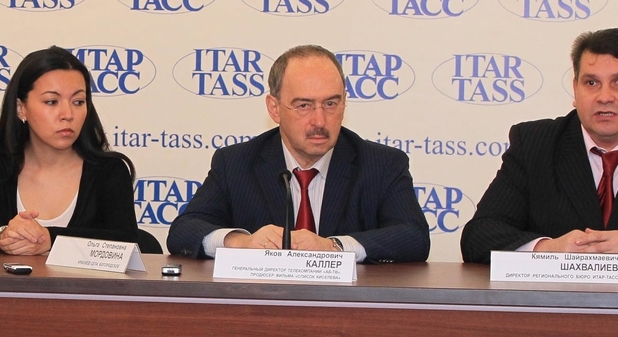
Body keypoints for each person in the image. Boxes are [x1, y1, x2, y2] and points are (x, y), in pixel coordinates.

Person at [461, 28, 618, 268]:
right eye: (591, 83)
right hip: (558, 293)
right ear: (575, 90)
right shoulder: (535, 144)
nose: (604, 97)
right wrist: (547, 251)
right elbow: (479, 235)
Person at [167, 44, 429, 262]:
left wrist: (335, 247)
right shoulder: (236, 163)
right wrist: (240, 242)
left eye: (330, 103)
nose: (320, 121)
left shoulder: (381, 165)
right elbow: (183, 231)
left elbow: (414, 237)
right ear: (275, 108)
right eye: (304, 105)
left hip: (347, 304)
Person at [0, 46, 137, 254]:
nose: (67, 114)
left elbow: (129, 241)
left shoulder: (109, 171)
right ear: (21, 108)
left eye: (78, 102)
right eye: (52, 101)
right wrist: (2, 235)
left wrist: (51, 238)